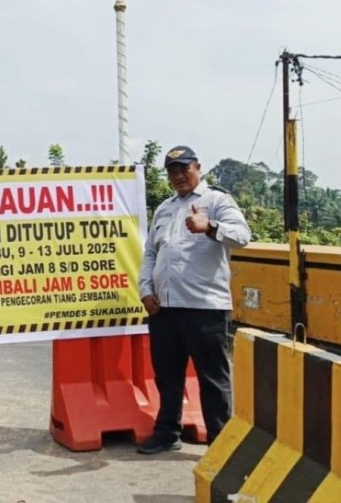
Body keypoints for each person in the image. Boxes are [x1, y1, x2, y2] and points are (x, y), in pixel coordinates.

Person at [137, 145, 251, 454]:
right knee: (167, 376)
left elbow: (242, 236)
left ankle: (220, 444)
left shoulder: (217, 201)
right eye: (172, 171)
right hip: (165, 308)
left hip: (204, 307)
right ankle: (166, 432)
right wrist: (146, 290)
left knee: (212, 379)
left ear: (198, 167)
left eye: (184, 169)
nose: (178, 176)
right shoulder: (165, 208)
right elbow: (151, 253)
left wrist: (210, 227)